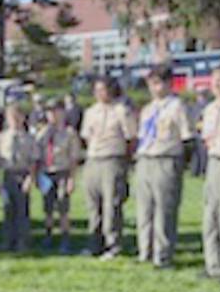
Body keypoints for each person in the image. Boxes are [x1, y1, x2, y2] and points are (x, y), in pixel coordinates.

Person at [136, 64, 194, 269]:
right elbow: (142, 137)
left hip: (166, 159)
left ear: (169, 84)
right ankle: (145, 251)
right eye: (151, 83)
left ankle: (163, 254)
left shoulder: (177, 106)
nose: (154, 88)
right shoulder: (147, 109)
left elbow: (188, 138)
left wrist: (181, 164)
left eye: (158, 83)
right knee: (145, 209)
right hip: (145, 159)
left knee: (164, 209)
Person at [81, 77, 137, 260]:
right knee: (92, 204)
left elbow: (131, 138)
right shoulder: (90, 112)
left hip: (113, 159)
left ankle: (113, 244)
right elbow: (86, 136)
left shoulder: (121, 111)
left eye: (102, 89)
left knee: (111, 204)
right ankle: (94, 243)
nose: (99, 93)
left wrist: (125, 161)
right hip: (93, 159)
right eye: (96, 90)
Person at [0, 105, 39, 252]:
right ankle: (7, 240)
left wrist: (30, 179)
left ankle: (22, 241)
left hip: (22, 174)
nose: (15, 120)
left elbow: (33, 161)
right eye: (11, 117)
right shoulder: (1, 137)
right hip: (7, 175)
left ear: (24, 118)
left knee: (22, 210)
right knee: (8, 209)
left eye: (18, 116)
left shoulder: (29, 138)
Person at [37, 99, 81, 254]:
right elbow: (37, 155)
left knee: (63, 207)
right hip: (46, 173)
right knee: (47, 208)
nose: (52, 115)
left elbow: (74, 158)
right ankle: (48, 236)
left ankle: (65, 238)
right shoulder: (42, 133)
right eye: (49, 112)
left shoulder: (69, 133)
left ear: (63, 112)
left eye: (56, 111)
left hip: (62, 172)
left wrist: (71, 179)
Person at [201, 60, 220, 284]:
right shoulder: (210, 109)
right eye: (214, 80)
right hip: (214, 162)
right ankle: (212, 265)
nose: (216, 84)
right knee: (210, 214)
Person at [190, 90, 210, 177]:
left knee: (203, 154)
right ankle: (195, 171)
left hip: (203, 133)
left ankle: (202, 171)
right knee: (196, 154)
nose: (200, 97)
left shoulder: (207, 106)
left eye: (201, 96)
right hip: (196, 133)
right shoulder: (195, 106)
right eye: (199, 95)